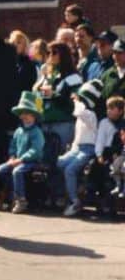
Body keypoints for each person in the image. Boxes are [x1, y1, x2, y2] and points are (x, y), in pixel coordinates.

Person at [0, 91, 46, 214]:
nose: (24, 116)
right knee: (1, 169)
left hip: (32, 161)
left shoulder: (36, 132)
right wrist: (12, 157)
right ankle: (10, 194)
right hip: (17, 159)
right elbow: (13, 146)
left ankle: (21, 200)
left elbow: (36, 150)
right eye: (22, 113)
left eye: (27, 113)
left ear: (34, 116)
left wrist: (21, 159)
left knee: (17, 171)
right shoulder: (19, 130)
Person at [57, 80, 101, 216]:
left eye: (82, 98)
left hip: (88, 149)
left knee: (70, 170)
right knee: (59, 163)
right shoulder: (81, 113)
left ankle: (75, 201)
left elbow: (79, 112)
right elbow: (78, 136)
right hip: (77, 148)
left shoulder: (90, 114)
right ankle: (67, 193)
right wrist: (72, 149)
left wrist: (77, 100)